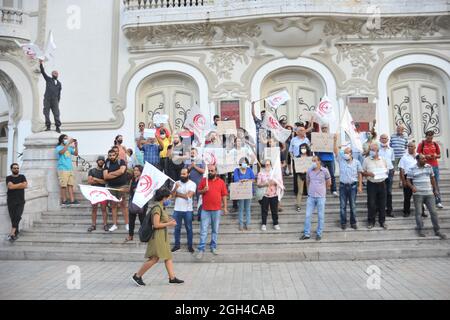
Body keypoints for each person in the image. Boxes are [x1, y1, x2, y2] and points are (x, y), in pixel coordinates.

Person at [131, 188, 184, 286]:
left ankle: (172, 278)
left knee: (168, 256)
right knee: (154, 258)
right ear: (164, 198)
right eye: (169, 198)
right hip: (157, 237)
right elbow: (156, 225)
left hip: (162, 237)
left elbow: (163, 220)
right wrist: (169, 223)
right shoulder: (157, 208)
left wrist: (169, 221)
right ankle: (137, 276)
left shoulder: (162, 207)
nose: (170, 200)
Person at [406, 154, 447, 240]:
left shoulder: (429, 166)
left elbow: (432, 178)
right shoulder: (411, 168)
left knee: (434, 212)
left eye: (425, 158)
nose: (425, 159)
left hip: (429, 193)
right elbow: (408, 180)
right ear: (417, 160)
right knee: (419, 213)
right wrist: (412, 187)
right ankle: (420, 229)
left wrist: (435, 190)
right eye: (423, 158)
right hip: (418, 194)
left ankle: (437, 230)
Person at [195, 165, 228, 259]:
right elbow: (198, 192)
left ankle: (213, 247)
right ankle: (201, 249)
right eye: (209, 170)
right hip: (205, 209)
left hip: (217, 210)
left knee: (215, 230)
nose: (210, 172)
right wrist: (203, 190)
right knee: (203, 230)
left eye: (212, 171)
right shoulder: (204, 180)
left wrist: (225, 207)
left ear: (216, 172)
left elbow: (224, 195)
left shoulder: (221, 182)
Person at [333, 134, 363, 230]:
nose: (345, 154)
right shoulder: (341, 160)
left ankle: (353, 222)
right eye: (344, 152)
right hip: (342, 186)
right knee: (342, 206)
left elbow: (360, 174)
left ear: (351, 153)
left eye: (347, 152)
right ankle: (343, 223)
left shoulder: (357, 162)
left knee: (353, 206)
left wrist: (360, 186)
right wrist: (335, 140)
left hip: (353, 186)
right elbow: (336, 151)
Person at [300, 156, 331, 241]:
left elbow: (329, 182)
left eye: (315, 161)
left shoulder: (325, 170)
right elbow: (307, 181)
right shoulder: (309, 170)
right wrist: (309, 191)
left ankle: (319, 233)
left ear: (319, 161)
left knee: (321, 216)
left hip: (321, 197)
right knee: (307, 215)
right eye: (312, 161)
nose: (313, 162)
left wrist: (323, 190)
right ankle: (306, 234)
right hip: (311, 196)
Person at [362, 143, 388, 229]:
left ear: (378, 151)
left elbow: (386, 170)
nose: (372, 152)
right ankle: (371, 221)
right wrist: (368, 173)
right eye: (371, 150)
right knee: (371, 203)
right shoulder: (366, 160)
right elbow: (362, 172)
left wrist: (385, 173)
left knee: (382, 204)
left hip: (382, 183)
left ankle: (382, 221)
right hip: (371, 184)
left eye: (374, 150)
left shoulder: (383, 160)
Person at [103, 148, 129, 232]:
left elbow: (122, 171)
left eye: (113, 155)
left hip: (121, 186)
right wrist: (115, 174)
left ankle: (127, 224)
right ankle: (115, 224)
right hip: (111, 187)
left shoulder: (121, 161)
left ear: (116, 155)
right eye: (110, 155)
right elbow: (105, 176)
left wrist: (111, 173)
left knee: (123, 205)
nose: (111, 157)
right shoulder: (107, 163)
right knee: (113, 206)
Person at [171, 168, 196, 253]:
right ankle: (177, 246)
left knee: (189, 228)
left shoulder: (192, 184)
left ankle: (190, 246)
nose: (182, 175)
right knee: (176, 228)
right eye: (181, 174)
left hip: (188, 210)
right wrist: (175, 189)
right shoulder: (176, 183)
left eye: (184, 174)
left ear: (188, 174)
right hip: (177, 209)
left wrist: (178, 194)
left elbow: (188, 196)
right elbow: (172, 196)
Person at [417, 130, 443, 209]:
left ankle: (438, 201)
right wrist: (425, 156)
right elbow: (418, 154)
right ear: (426, 136)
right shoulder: (422, 144)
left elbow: (439, 155)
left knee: (436, 184)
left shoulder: (435, 144)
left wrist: (435, 155)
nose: (430, 139)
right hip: (425, 166)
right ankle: (423, 203)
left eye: (431, 137)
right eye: (429, 137)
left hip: (435, 166)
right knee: (424, 184)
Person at [399, 141, 425, 218]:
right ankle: (406, 212)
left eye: (411, 146)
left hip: (418, 177)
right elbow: (402, 169)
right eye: (408, 146)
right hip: (408, 178)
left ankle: (422, 212)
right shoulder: (404, 157)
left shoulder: (419, 156)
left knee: (420, 196)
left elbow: (423, 166)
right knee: (407, 196)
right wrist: (403, 181)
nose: (409, 148)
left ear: (415, 147)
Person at [6, 163, 27, 242]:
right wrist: (20, 184)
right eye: (14, 168)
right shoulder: (8, 177)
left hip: (20, 200)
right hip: (11, 201)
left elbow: (25, 185)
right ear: (11, 169)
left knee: (18, 216)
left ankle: (12, 233)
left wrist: (15, 185)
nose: (16, 169)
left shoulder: (22, 176)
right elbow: (10, 187)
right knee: (13, 218)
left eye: (17, 168)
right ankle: (15, 233)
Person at [55, 134, 79, 206]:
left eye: (67, 138)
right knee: (63, 185)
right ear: (61, 140)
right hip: (62, 169)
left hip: (70, 169)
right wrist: (68, 143)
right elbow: (61, 152)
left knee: (70, 185)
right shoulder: (58, 147)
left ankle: (72, 200)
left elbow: (76, 154)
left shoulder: (69, 148)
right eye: (65, 138)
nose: (66, 140)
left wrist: (76, 146)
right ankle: (64, 200)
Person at [233, 157, 256, 231]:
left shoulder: (249, 170)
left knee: (248, 208)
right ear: (240, 163)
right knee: (241, 208)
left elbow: (254, 179)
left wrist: (247, 180)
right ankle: (241, 224)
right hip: (240, 192)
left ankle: (248, 224)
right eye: (242, 162)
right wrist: (241, 181)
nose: (244, 163)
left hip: (248, 191)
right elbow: (235, 179)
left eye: (245, 162)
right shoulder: (236, 170)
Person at [257, 159, 280, 231]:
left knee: (274, 210)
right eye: (266, 164)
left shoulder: (274, 173)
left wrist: (275, 182)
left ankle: (275, 223)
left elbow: (279, 182)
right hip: (265, 194)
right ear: (264, 165)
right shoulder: (260, 173)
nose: (267, 165)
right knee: (264, 210)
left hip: (274, 194)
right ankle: (264, 224)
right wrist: (265, 184)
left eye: (269, 164)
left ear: (271, 165)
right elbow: (258, 184)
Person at [87, 156, 109, 232]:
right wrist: (100, 180)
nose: (101, 162)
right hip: (94, 192)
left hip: (103, 192)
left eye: (102, 160)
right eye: (100, 160)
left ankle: (105, 225)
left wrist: (95, 179)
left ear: (104, 162)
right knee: (94, 209)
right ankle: (93, 225)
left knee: (104, 209)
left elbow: (105, 182)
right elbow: (90, 181)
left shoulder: (105, 171)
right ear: (97, 161)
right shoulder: (92, 171)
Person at [39, 59, 62, 132]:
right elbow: (43, 72)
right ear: (52, 74)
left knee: (56, 113)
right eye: (54, 73)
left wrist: (57, 101)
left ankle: (57, 126)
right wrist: (41, 64)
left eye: (56, 73)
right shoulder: (48, 79)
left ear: (58, 75)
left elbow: (59, 93)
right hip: (47, 99)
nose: (55, 74)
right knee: (46, 112)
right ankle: (48, 126)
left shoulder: (59, 83)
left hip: (55, 100)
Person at [316, 124, 338, 197]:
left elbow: (335, 149)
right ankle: (321, 189)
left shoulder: (332, 137)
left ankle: (334, 190)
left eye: (325, 128)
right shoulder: (318, 137)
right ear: (321, 129)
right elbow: (316, 148)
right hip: (322, 159)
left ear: (328, 129)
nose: (324, 129)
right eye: (323, 128)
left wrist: (335, 140)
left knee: (332, 175)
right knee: (321, 175)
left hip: (330, 158)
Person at [126, 165, 147, 241]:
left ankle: (144, 236)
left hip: (142, 202)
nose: (135, 172)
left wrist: (138, 191)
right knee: (131, 220)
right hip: (133, 202)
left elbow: (146, 190)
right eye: (134, 170)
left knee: (142, 220)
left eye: (137, 170)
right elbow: (129, 190)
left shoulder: (144, 180)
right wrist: (123, 190)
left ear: (141, 171)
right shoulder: (132, 180)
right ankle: (130, 235)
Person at [379, 134, 395, 217]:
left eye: (385, 138)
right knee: (381, 192)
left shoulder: (391, 150)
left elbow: (392, 161)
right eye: (382, 138)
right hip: (380, 173)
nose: (384, 140)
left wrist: (393, 171)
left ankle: (390, 210)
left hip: (389, 172)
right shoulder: (377, 149)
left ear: (387, 139)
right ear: (379, 139)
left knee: (389, 192)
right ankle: (380, 210)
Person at [293, 143, 312, 212]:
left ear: (307, 148)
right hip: (300, 175)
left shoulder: (310, 157)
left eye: (304, 148)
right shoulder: (298, 157)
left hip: (308, 175)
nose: (303, 149)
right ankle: (298, 205)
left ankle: (311, 205)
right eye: (301, 148)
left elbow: (312, 166)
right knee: (300, 191)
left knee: (309, 191)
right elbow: (296, 167)